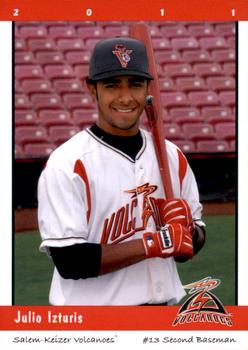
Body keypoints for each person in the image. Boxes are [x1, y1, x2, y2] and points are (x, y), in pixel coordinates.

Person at [38, 37, 206, 305]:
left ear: (147, 89)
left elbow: (190, 245)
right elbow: (70, 261)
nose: (126, 97)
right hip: (93, 323)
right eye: (112, 85)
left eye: (135, 85)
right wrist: (155, 242)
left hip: (163, 317)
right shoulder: (68, 163)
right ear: (92, 89)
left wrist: (187, 231)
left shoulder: (172, 156)